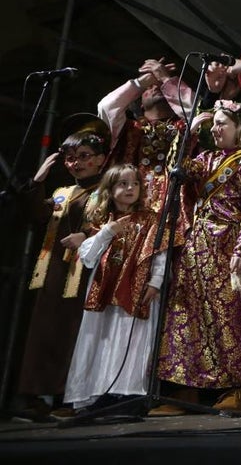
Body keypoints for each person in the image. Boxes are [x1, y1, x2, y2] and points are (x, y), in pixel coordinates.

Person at [152, 101, 241, 415]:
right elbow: (175, 171)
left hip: (227, 247)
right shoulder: (206, 158)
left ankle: (240, 388)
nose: (215, 129)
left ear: (240, 128)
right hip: (196, 249)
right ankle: (187, 388)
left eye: (221, 123)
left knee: (229, 318)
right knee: (188, 317)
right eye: (213, 124)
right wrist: (188, 134)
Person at [13, 115, 110, 420]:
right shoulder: (62, 192)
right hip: (54, 272)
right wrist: (38, 180)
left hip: (86, 274)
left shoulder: (108, 190)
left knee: (73, 334)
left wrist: (88, 235)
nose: (76, 163)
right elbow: (36, 215)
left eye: (84, 156)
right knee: (45, 332)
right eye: (70, 158)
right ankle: (39, 397)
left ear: (101, 159)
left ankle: (70, 397)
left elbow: (120, 226)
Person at [63, 164, 170, 409]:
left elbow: (160, 254)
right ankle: (96, 393)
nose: (130, 188)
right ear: (110, 190)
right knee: (101, 337)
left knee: (131, 338)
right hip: (105, 286)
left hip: (136, 287)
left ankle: (128, 394)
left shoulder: (150, 219)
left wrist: (156, 281)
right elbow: (88, 257)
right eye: (123, 184)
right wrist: (106, 232)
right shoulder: (102, 220)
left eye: (135, 183)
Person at [98, 57, 196, 215]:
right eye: (150, 87)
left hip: (170, 216)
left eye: (161, 86)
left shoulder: (186, 128)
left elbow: (198, 112)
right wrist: (142, 82)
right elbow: (106, 107)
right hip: (124, 215)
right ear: (140, 103)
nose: (156, 87)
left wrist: (167, 80)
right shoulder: (127, 128)